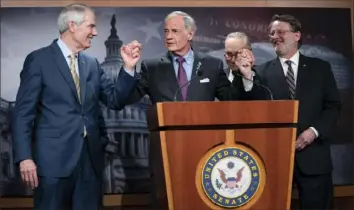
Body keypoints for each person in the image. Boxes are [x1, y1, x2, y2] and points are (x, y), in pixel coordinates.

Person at [11, 3, 142, 210]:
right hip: (52, 163)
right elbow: (22, 114)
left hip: (89, 163)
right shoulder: (39, 60)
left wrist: (128, 67)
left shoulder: (91, 64)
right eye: (91, 26)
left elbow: (114, 100)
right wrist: (25, 157)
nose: (95, 32)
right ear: (72, 26)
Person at [239, 14, 341, 209]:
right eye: (271, 33)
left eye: (280, 32)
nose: (275, 36)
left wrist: (314, 132)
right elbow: (250, 109)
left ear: (296, 35)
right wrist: (246, 77)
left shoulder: (320, 68)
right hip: (274, 159)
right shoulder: (260, 72)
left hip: (314, 158)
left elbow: (333, 106)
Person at [129, 11, 248, 104]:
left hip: (203, 134)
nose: (168, 36)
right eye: (166, 31)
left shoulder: (212, 65)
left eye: (175, 31)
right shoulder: (151, 67)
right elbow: (125, 99)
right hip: (166, 134)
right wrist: (128, 68)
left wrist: (241, 73)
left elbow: (232, 99)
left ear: (190, 34)